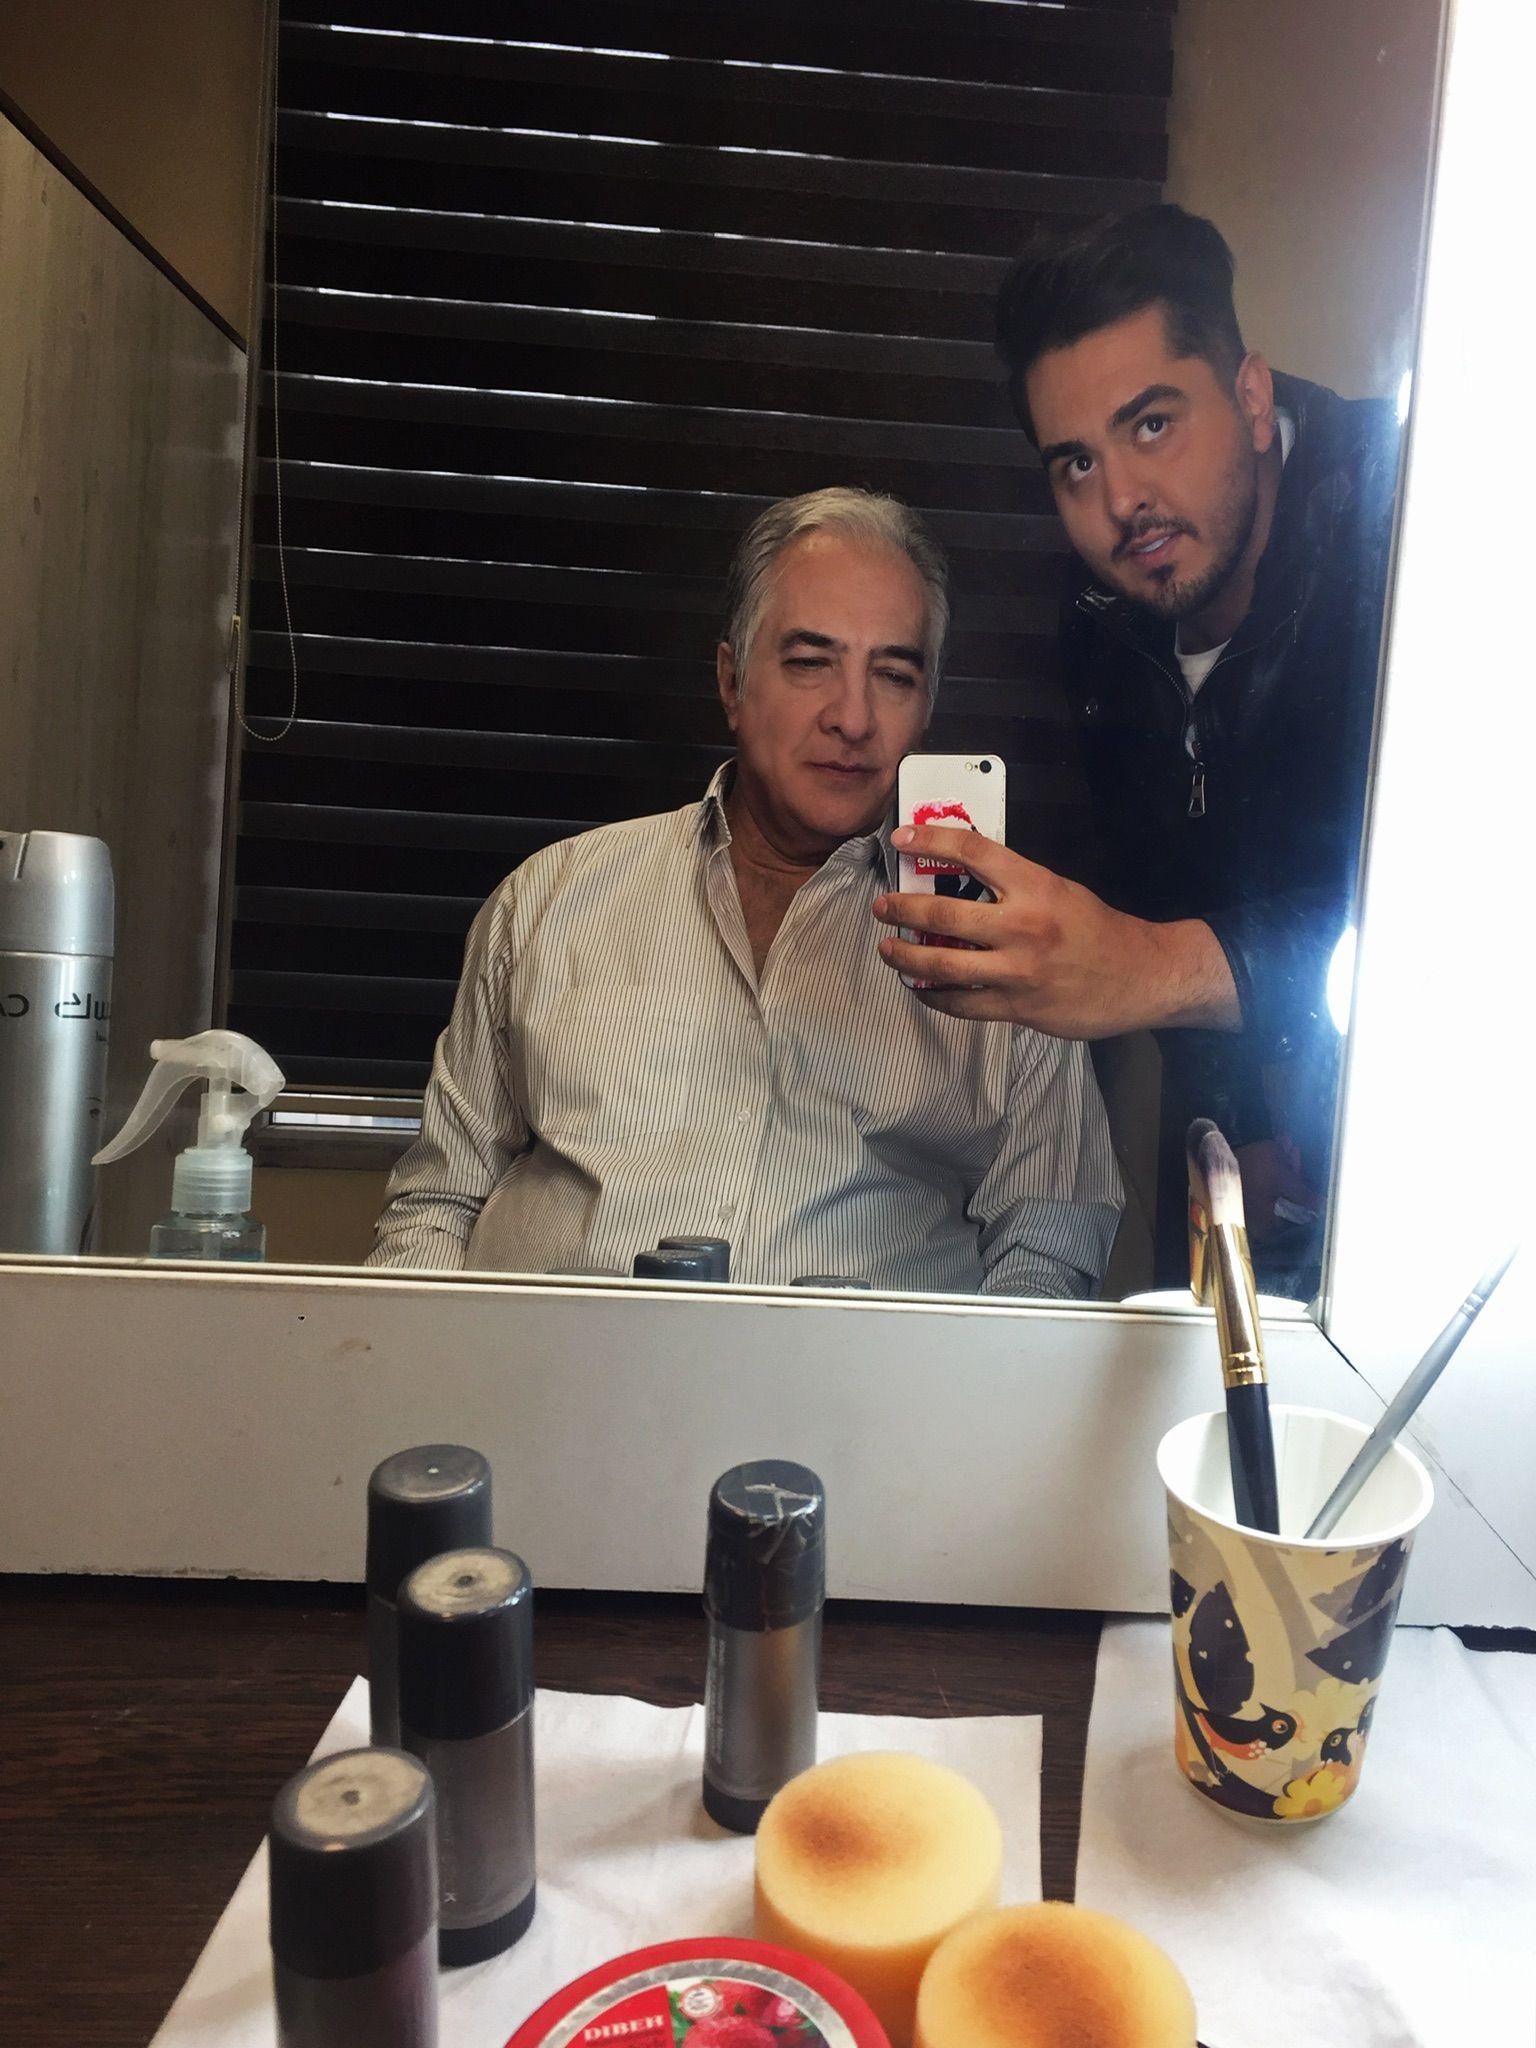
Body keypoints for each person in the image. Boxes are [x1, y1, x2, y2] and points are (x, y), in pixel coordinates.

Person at [369, 487, 1122, 1294]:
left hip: (859, 1375)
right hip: (551, 1365)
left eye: (894, 675)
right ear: (732, 681)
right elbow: (436, 1208)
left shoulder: (1013, 947)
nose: (853, 718)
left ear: (928, 705)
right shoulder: (548, 899)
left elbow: (1048, 1253)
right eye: (810, 663)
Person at [872, 206, 1399, 1294]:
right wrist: (1250, 1123)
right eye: (1075, 462)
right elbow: (1169, 865)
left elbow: (1461, 905)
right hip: (1236, 1157)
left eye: (1152, 424)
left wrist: (1145, 966)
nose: (1120, 503)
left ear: (1249, 393)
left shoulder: (1409, 533)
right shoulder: (1102, 617)